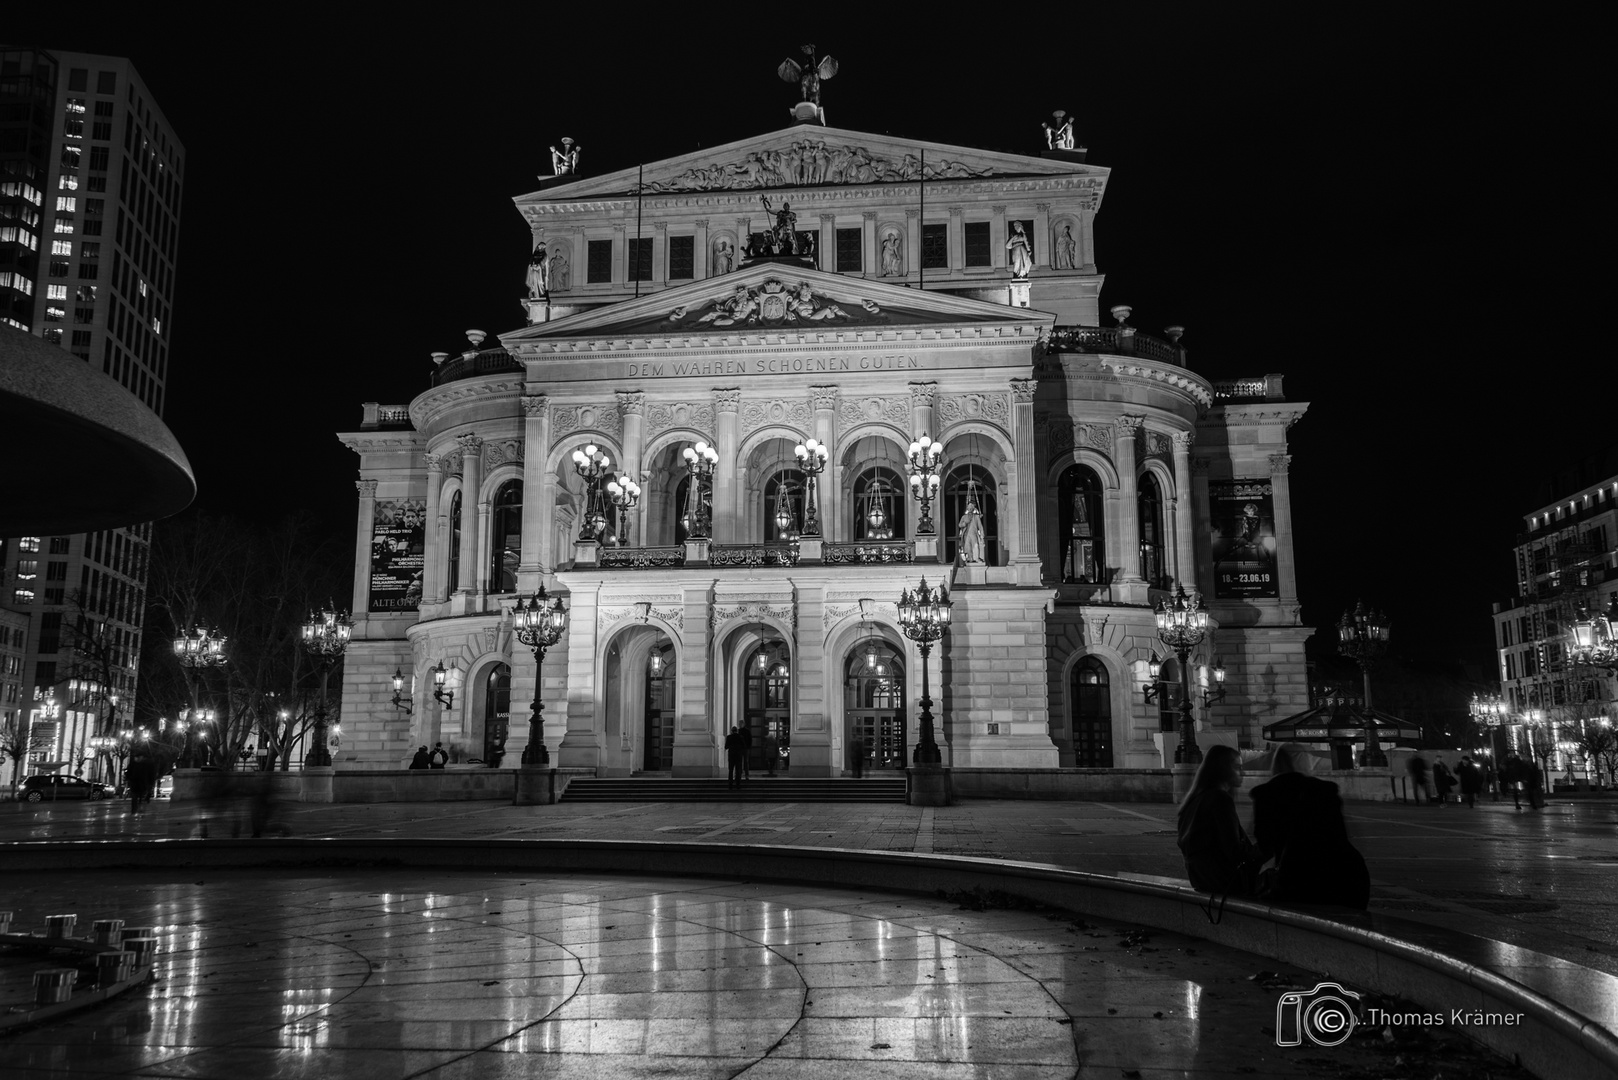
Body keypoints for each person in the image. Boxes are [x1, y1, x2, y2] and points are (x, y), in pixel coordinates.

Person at [1249, 748, 1371, 909]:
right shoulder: (1326, 789)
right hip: (1349, 875)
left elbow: (1265, 844)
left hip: (1300, 878)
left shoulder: (1265, 794)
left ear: (1275, 766)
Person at [1176, 744, 1262, 896]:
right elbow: (1235, 852)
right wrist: (1267, 847)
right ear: (1223, 769)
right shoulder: (1220, 799)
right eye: (1237, 767)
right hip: (1224, 882)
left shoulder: (1194, 801)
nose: (1243, 772)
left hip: (1201, 880)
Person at [724, 725, 746, 790]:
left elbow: (726, 747)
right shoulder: (740, 737)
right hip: (738, 755)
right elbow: (744, 746)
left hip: (731, 755)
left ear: (731, 731)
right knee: (738, 770)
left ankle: (730, 785)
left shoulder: (729, 737)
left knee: (730, 770)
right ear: (737, 731)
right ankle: (738, 785)